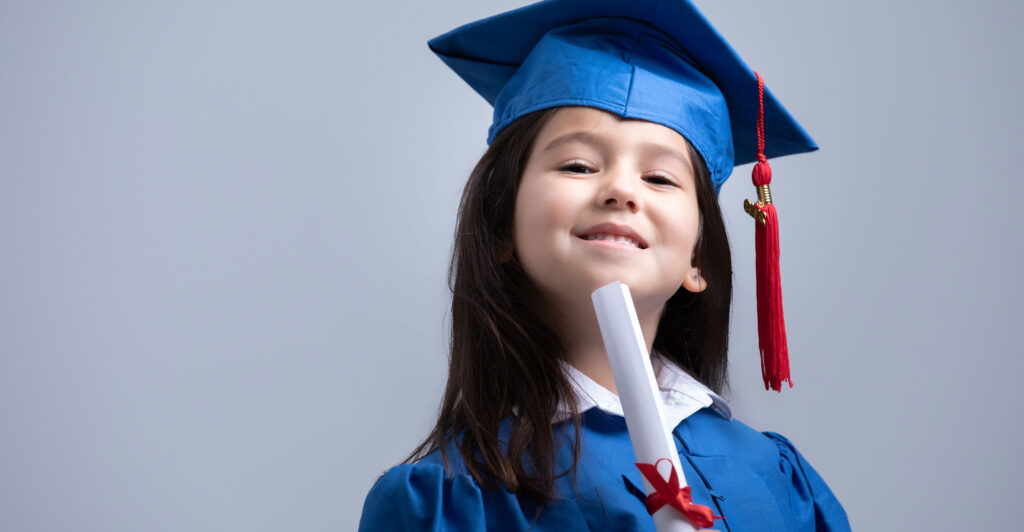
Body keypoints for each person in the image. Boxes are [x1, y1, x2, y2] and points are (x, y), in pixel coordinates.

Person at [359, 1, 851, 530]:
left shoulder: (777, 479)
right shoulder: (452, 502)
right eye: (578, 165)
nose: (620, 189)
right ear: (501, 226)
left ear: (699, 258)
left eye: (660, 178)